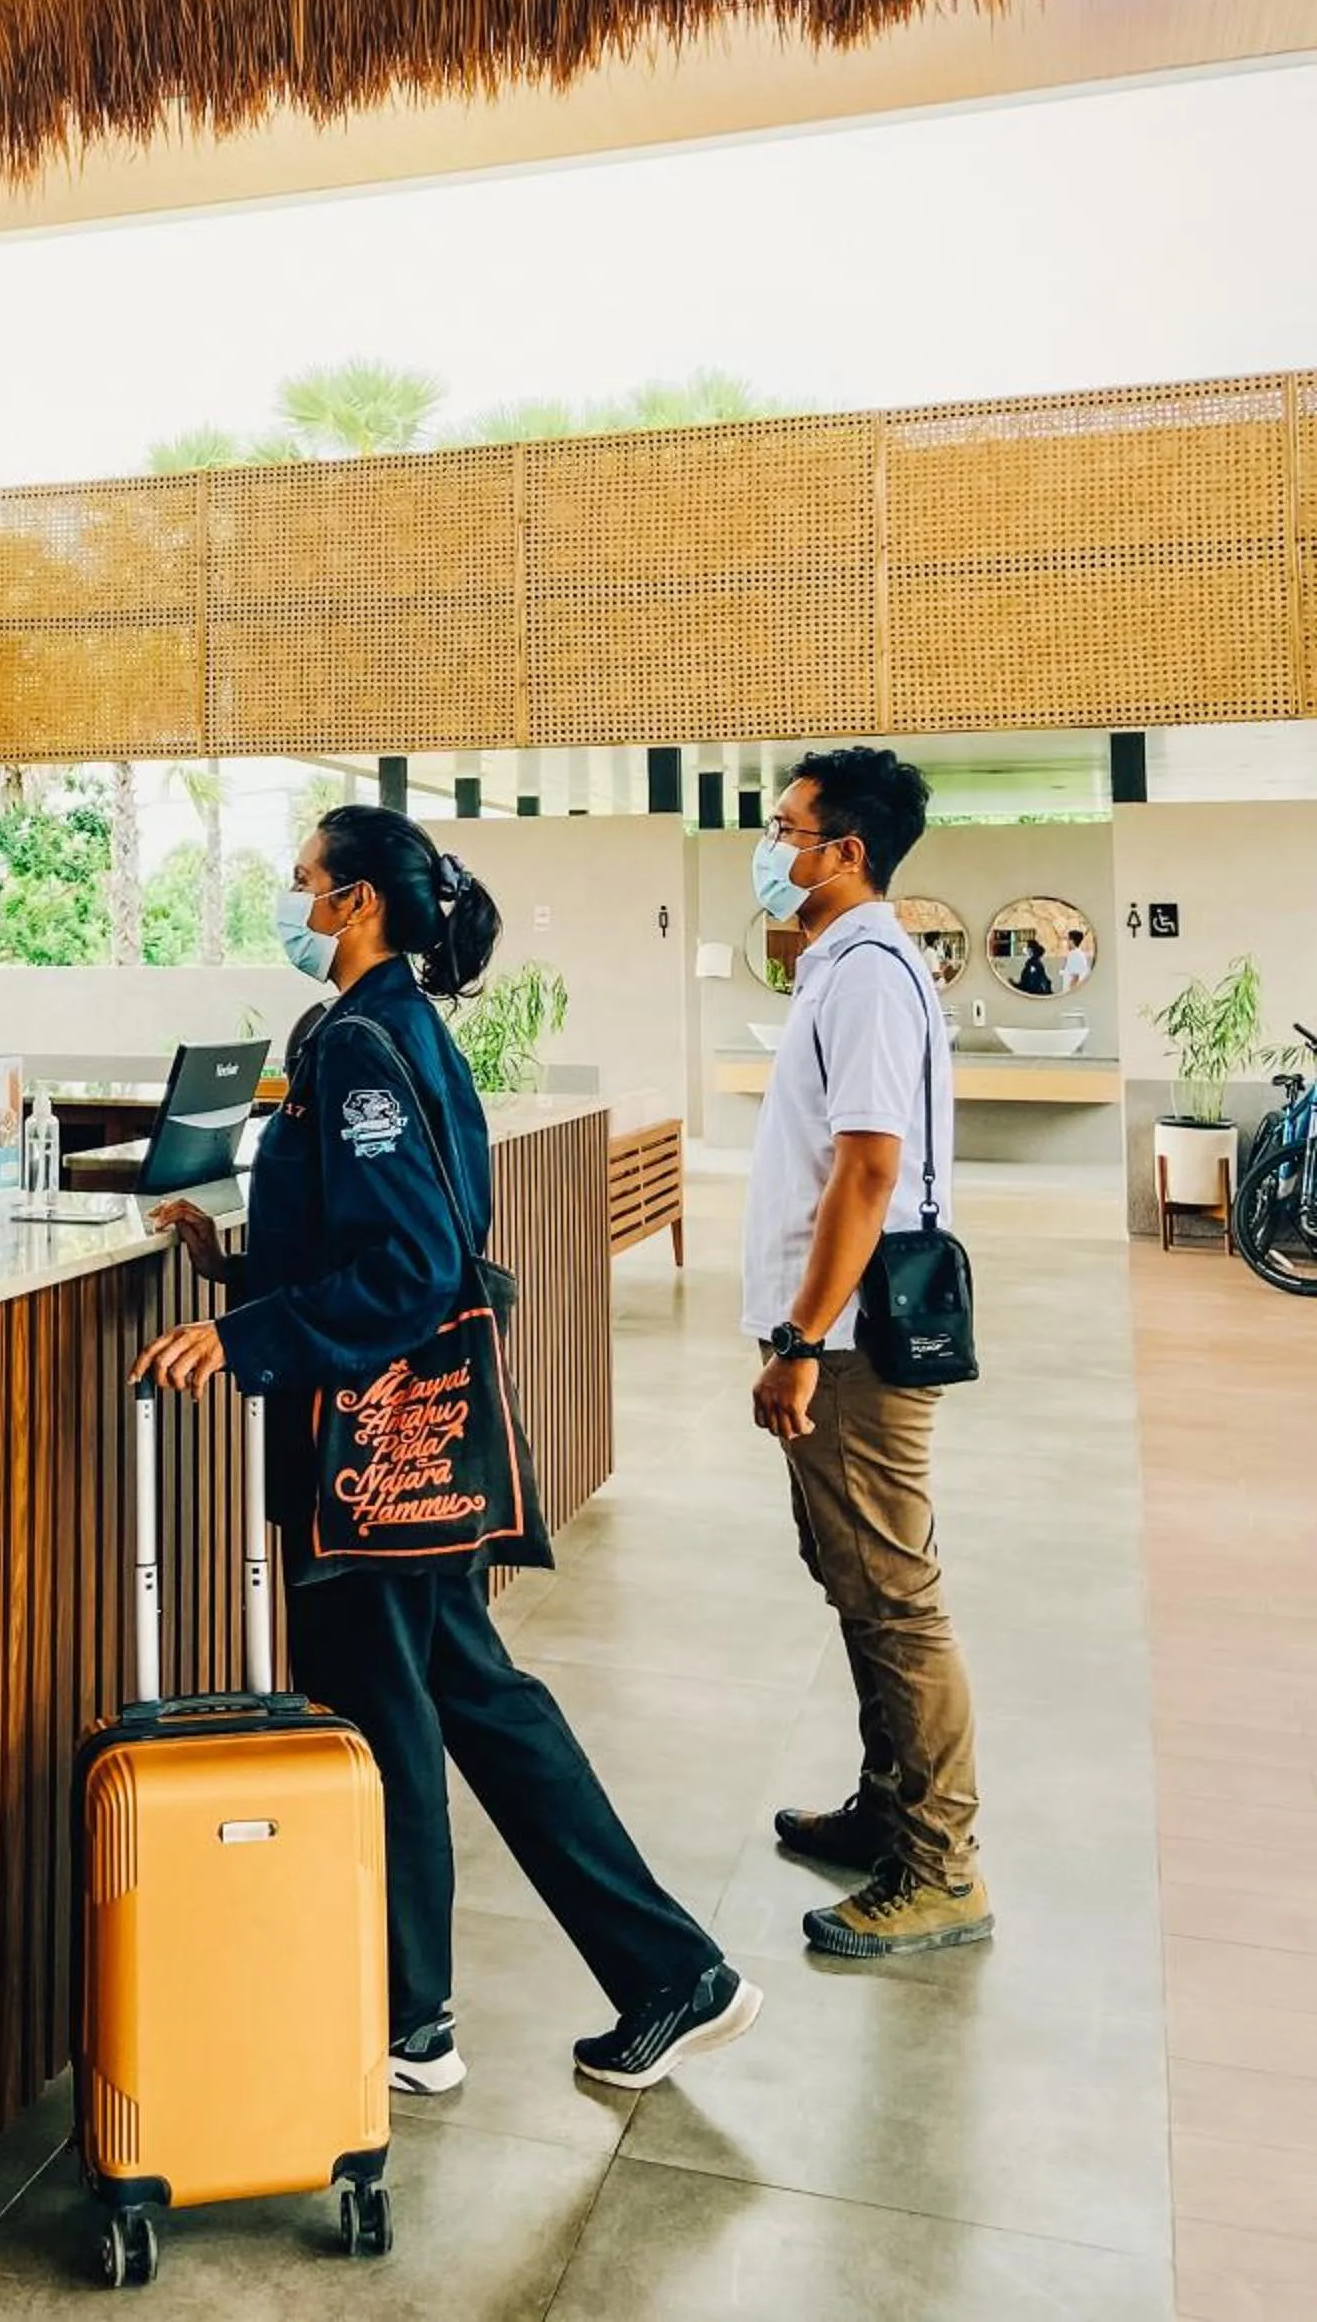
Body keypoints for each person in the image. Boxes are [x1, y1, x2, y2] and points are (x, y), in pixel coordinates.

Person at [136, 806, 759, 2097]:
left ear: (358, 901)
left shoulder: (359, 1043)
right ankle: (662, 1974)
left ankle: (415, 2023)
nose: (292, 902)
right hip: (418, 1447)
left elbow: (413, 1264)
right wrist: (239, 1268)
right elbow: (391, 1240)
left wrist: (246, 1345)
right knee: (472, 1703)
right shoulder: (394, 1029)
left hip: (374, 1455)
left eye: (304, 880)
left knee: (390, 1715)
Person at [746, 747, 991, 1957]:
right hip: (829, 1334)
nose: (772, 843)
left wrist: (798, 1338)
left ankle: (942, 1871)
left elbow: (871, 1168)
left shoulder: (870, 976)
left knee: (896, 1599)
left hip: (848, 1341)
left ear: (846, 850)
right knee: (856, 1579)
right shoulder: (841, 966)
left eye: (787, 826)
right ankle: (890, 1813)